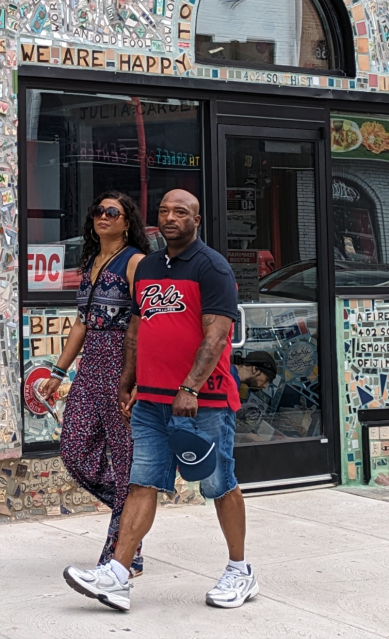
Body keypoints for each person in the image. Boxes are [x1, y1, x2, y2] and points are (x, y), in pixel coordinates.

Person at [63, 189, 257, 612]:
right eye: (165, 211)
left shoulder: (212, 267)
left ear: (197, 219)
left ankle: (240, 570)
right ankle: (117, 574)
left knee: (218, 485)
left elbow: (217, 334)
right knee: (141, 483)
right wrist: (127, 381)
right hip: (150, 400)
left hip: (203, 400)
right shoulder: (149, 266)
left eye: (181, 212)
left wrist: (189, 387)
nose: (171, 217)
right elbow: (135, 329)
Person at [33, 191, 145, 568]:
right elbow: (81, 321)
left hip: (122, 367)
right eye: (98, 210)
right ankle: (131, 512)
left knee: (126, 461)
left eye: (112, 212)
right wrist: (59, 371)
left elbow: (142, 321)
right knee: (75, 452)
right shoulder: (91, 261)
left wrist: (133, 378)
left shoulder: (135, 263)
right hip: (90, 368)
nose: (103, 217)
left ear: (127, 221)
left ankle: (121, 557)